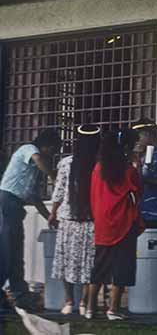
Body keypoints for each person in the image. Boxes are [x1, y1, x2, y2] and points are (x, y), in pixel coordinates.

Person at [0, 127, 60, 313]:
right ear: (46, 146)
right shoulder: (28, 149)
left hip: (16, 208)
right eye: (53, 150)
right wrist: (54, 177)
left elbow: (34, 198)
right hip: (7, 202)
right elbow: (38, 158)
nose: (53, 155)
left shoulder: (32, 171)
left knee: (16, 254)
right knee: (7, 251)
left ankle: (21, 297)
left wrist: (49, 217)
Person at [87, 129, 143, 321]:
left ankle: (89, 308)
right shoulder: (128, 171)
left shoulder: (97, 169)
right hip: (123, 223)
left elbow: (93, 195)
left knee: (99, 265)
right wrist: (137, 164)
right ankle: (113, 309)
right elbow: (137, 192)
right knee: (122, 266)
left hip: (102, 223)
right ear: (125, 148)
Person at [49, 124, 103, 316]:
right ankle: (84, 303)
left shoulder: (66, 163)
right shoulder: (101, 163)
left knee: (66, 261)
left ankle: (69, 300)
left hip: (69, 220)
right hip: (92, 221)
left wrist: (52, 212)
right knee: (90, 263)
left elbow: (59, 191)